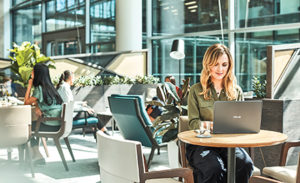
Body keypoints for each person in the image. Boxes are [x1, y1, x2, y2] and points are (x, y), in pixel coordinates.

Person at [187, 44, 253, 182]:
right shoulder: (196, 90)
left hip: (228, 144)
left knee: (245, 164)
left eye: (224, 64)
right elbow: (193, 123)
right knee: (214, 168)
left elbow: (240, 121)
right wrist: (212, 125)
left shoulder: (236, 91)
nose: (220, 69)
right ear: (207, 64)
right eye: (215, 64)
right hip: (202, 144)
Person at [24, 63, 63, 164]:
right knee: (35, 125)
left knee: (26, 128)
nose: (31, 74)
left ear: (37, 74)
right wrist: (37, 106)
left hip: (49, 125)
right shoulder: (51, 88)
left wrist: (29, 85)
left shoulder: (39, 89)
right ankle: (35, 155)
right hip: (58, 124)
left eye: (32, 72)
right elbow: (39, 102)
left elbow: (26, 102)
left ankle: (36, 155)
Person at [56, 70, 109, 135]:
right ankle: (104, 131)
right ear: (70, 78)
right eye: (74, 78)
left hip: (65, 114)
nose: (74, 79)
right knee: (92, 113)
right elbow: (69, 106)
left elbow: (68, 103)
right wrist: (85, 109)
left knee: (88, 109)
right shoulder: (65, 88)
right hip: (68, 117)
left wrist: (81, 103)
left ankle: (101, 131)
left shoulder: (62, 87)